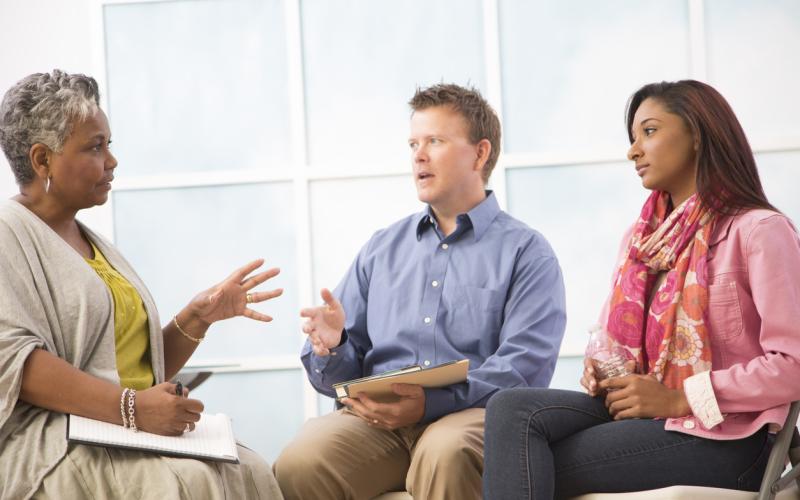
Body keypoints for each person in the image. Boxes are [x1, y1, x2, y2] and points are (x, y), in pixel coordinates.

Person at [482, 80, 800, 499]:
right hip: (645, 419)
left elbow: (792, 363)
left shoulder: (758, 231)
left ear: (698, 136)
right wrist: (602, 368)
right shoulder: (641, 240)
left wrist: (678, 398)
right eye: (632, 139)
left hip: (724, 438)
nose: (633, 150)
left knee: (522, 463)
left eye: (649, 132)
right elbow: (614, 342)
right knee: (508, 410)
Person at [0, 70, 285, 499]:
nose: (111, 161)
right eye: (95, 147)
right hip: (59, 440)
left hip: (124, 430)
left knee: (251, 471)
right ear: (42, 160)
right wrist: (131, 410)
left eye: (108, 145)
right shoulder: (8, 234)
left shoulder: (94, 244)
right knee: (191, 483)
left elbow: (129, 369)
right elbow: (16, 362)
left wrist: (196, 318)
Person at [274, 83, 567, 499]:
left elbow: (525, 368)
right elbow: (337, 376)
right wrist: (332, 346)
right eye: (413, 143)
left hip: (470, 417)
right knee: (300, 461)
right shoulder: (381, 248)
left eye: (435, 141)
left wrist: (431, 404)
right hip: (377, 425)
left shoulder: (527, 252)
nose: (418, 155)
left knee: (445, 451)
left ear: (480, 154)